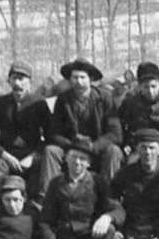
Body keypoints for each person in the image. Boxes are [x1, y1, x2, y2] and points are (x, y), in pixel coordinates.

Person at [43, 58, 122, 188]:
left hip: (97, 149)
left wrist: (94, 146)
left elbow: (115, 134)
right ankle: (48, 195)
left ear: (91, 79)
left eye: (82, 77)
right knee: (51, 151)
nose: (78, 82)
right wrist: (73, 146)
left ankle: (110, 194)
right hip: (71, 148)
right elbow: (54, 132)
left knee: (114, 151)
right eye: (75, 78)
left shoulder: (105, 98)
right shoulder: (63, 99)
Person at [0, 62, 47, 196]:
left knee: (43, 165)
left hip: (31, 156)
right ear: (9, 81)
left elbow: (50, 135)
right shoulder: (1, 103)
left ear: (30, 82)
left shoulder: (39, 103)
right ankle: (4, 200)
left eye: (21, 79)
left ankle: (35, 202)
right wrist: (4, 155)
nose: (17, 83)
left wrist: (33, 157)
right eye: (14, 78)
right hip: (7, 155)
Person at [116, 60, 159, 154]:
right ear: (139, 87)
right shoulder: (130, 103)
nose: (150, 91)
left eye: (153, 86)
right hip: (138, 146)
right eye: (146, 87)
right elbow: (120, 125)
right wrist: (128, 141)